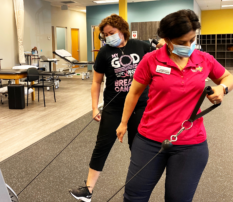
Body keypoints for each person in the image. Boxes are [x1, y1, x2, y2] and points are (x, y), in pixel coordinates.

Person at [116, 9, 233, 202]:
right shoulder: (151, 60)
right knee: (134, 197)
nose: (188, 46)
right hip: (149, 140)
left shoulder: (204, 59)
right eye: (181, 42)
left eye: (192, 40)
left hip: (191, 144)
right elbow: (134, 93)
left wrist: (223, 88)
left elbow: (227, 77)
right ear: (167, 40)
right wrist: (123, 122)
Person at [69, 14, 159, 202]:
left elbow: (162, 55)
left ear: (122, 30)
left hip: (140, 105)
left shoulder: (141, 46)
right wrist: (94, 108)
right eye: (105, 35)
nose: (109, 37)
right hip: (113, 106)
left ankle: (138, 191)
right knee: (102, 145)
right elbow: (96, 82)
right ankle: (88, 190)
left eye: (112, 33)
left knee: (138, 147)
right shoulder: (104, 53)